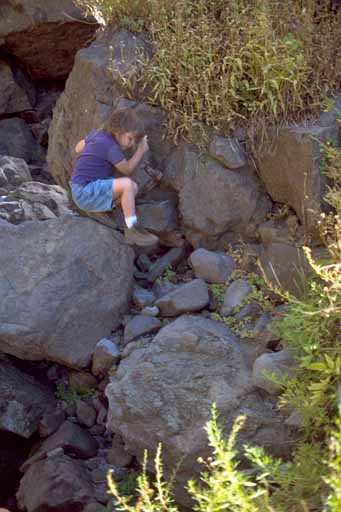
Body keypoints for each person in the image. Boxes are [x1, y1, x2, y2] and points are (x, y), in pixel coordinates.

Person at [69, 108, 159, 247]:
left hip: (79, 188)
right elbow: (127, 169)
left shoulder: (97, 135)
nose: (132, 144)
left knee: (132, 189)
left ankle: (99, 209)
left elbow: (77, 148)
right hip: (85, 191)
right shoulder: (111, 147)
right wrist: (140, 151)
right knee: (127, 185)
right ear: (119, 131)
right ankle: (132, 230)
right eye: (130, 139)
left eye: (135, 142)